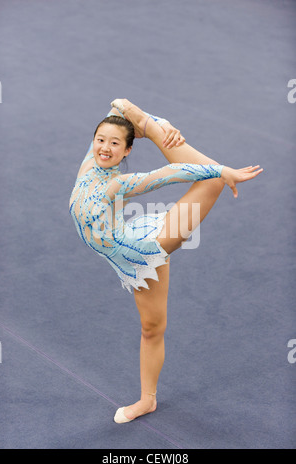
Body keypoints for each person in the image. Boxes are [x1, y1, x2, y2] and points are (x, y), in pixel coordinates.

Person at [69, 98, 263, 424]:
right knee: (152, 327)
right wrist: (154, 122)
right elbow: (117, 105)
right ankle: (148, 401)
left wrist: (220, 169)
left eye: (115, 143)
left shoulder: (116, 183)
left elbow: (170, 173)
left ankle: (147, 400)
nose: (105, 147)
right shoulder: (91, 163)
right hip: (129, 252)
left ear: (127, 150)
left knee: (212, 180)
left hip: (146, 247)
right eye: (100, 140)